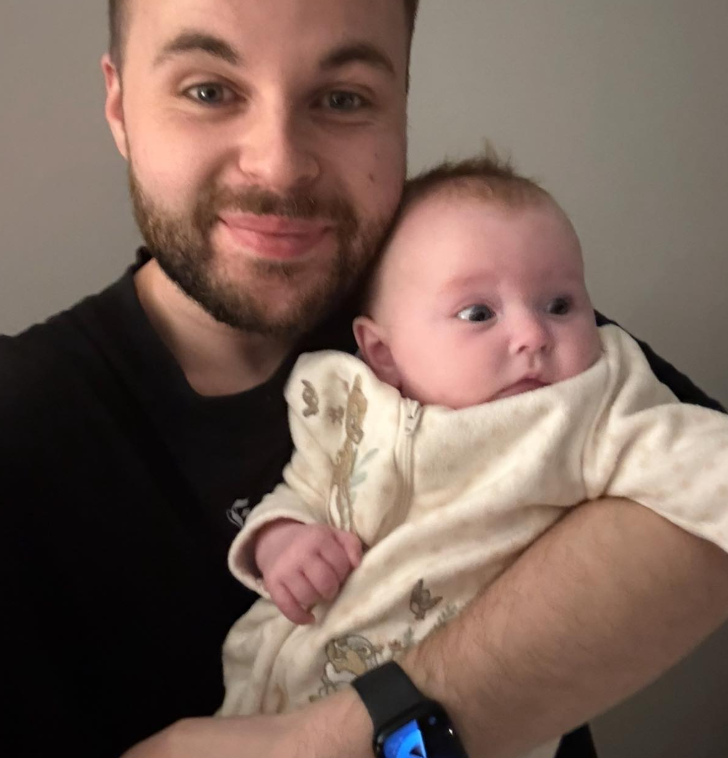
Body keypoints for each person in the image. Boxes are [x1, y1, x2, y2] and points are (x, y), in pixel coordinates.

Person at [1, 0, 726, 757]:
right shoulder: (23, 430)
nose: (277, 164)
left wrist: (332, 740)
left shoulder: (478, 305)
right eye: (209, 90)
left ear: (402, 108)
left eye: (343, 98)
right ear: (118, 106)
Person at [217, 156, 728, 757]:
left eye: (560, 305)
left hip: (456, 730)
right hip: (266, 694)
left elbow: (698, 458)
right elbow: (304, 488)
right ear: (383, 353)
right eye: (478, 313)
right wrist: (280, 540)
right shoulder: (340, 401)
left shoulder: (585, 409)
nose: (533, 335)